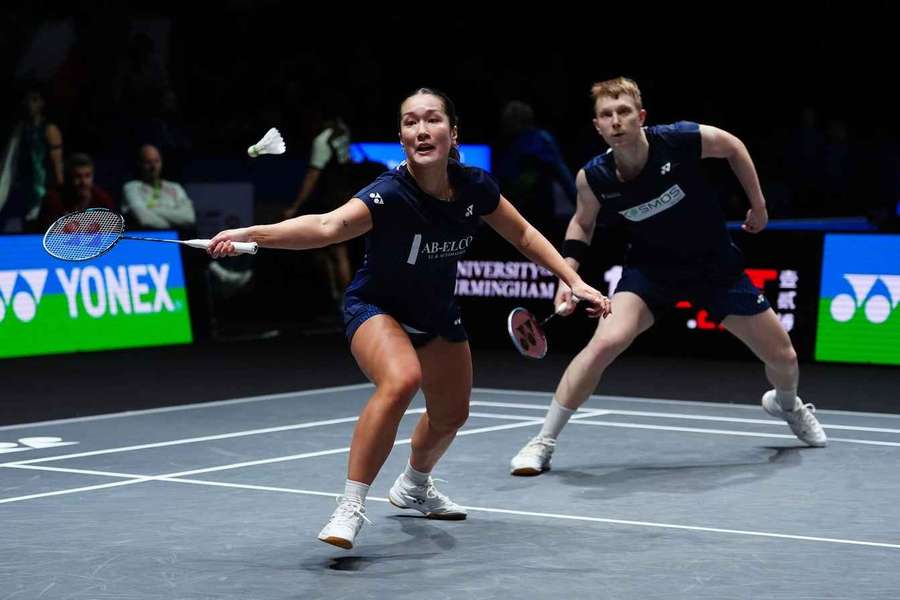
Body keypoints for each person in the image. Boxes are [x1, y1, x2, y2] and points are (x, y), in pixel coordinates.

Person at [209, 87, 612, 549]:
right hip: (377, 308)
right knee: (401, 380)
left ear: (452, 132)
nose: (421, 130)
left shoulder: (474, 186)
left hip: (436, 313)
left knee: (451, 416)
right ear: (401, 137)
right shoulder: (388, 195)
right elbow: (327, 227)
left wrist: (573, 280)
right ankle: (350, 506)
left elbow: (521, 232)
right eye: (410, 122)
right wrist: (250, 234)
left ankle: (414, 486)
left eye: (432, 119)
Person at [509, 77, 826, 477]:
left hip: (714, 267)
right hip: (650, 270)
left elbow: (732, 146)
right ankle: (543, 441)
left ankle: (788, 405)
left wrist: (758, 206)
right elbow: (582, 223)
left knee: (784, 357)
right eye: (607, 115)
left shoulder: (678, 140)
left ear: (640, 117)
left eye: (624, 112)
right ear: (598, 126)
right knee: (605, 342)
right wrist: (568, 278)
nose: (616, 120)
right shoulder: (594, 177)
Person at [282, 113, 354, 314]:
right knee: (334, 252)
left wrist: (295, 207)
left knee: (338, 252)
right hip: (343, 194)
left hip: (329, 200)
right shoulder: (342, 129)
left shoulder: (321, 141)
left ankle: (346, 305)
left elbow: (313, 175)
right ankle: (337, 300)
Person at [0, 88, 64, 232]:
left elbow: (57, 166)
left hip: (42, 188)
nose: (30, 104)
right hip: (23, 186)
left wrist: (58, 187)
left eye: (35, 100)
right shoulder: (21, 129)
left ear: (42, 103)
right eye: (28, 100)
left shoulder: (49, 129)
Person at [122, 144, 195, 232]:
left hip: (173, 242)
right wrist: (173, 223)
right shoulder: (131, 187)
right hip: (143, 241)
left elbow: (189, 218)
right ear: (139, 164)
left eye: (156, 161)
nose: (153, 167)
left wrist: (150, 210)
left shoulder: (175, 187)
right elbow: (145, 220)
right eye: (148, 162)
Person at [37, 152, 114, 230]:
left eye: (87, 176)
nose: (83, 182)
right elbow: (42, 231)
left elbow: (114, 228)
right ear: (69, 177)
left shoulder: (102, 199)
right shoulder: (53, 200)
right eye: (78, 176)